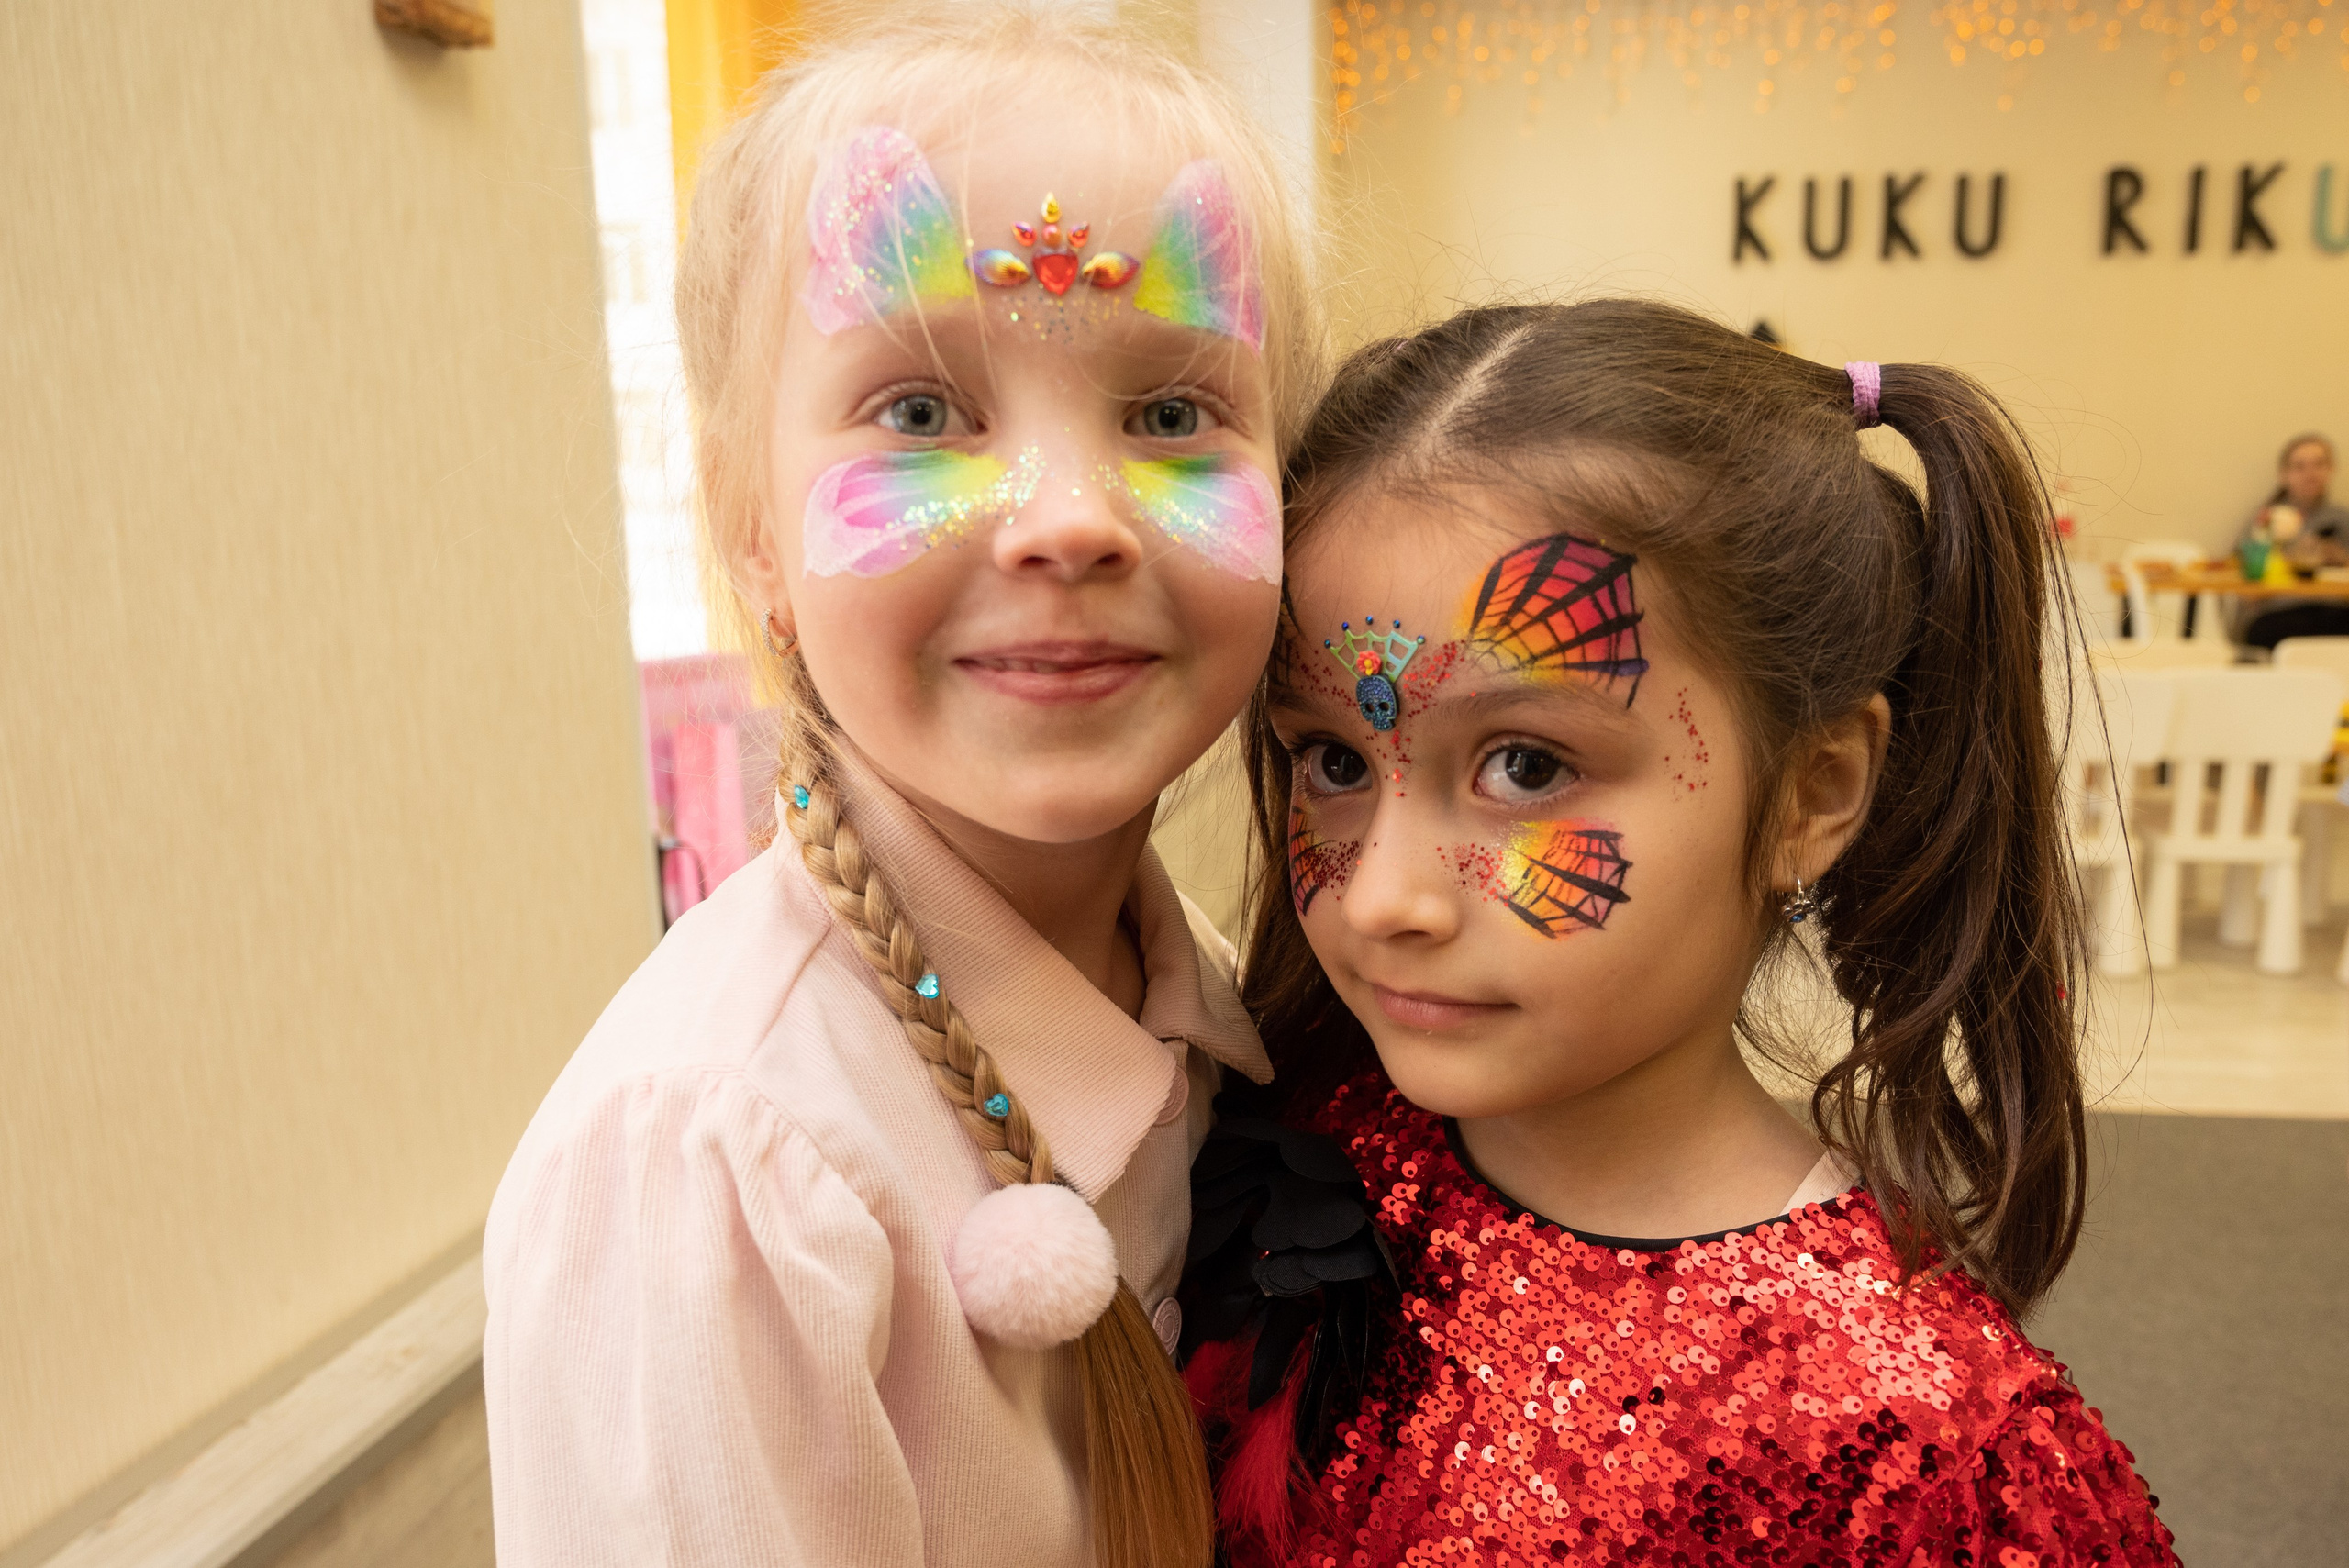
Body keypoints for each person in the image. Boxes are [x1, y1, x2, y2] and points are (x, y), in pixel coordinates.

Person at [481, 10, 1322, 1565]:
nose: (1071, 520)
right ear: (752, 536)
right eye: (923, 413)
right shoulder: (718, 1166)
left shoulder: (1209, 993)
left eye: (1170, 415)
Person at [1179, 301, 2176, 1566]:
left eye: (1527, 765)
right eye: (1332, 755)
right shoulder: (1306, 1145)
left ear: (1813, 794)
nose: (1381, 897)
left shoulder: (1928, 1451)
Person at [2239, 432, 2349, 648]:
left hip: (2334, 610)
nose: (2311, 474)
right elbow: (2245, 589)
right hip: (2282, 612)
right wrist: (2288, 559)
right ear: (2284, 474)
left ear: (2331, 469)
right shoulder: (2266, 520)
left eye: (2319, 464)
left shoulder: (2341, 518)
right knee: (2263, 632)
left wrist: (2340, 558)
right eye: (2300, 466)